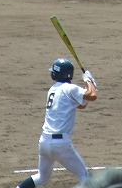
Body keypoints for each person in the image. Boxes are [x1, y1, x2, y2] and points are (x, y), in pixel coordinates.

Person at [16, 58, 98, 188]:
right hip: (61, 145)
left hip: (44, 142)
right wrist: (88, 81)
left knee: (42, 177)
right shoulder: (70, 88)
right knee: (85, 175)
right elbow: (92, 96)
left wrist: (91, 87)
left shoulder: (53, 89)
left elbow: (81, 104)